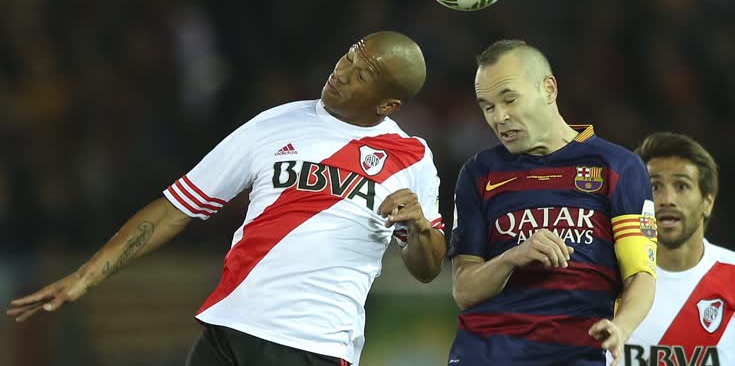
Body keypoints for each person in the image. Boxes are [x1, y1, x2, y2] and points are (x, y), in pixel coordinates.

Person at [7, 31, 447, 366]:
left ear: (388, 105)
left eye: (362, 74)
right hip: (229, 330)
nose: (343, 72)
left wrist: (420, 228)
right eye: (348, 56)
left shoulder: (412, 158)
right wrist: (86, 276)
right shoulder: (276, 123)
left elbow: (427, 269)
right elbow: (176, 207)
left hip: (314, 343)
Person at [447, 39, 657, 366]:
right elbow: (464, 290)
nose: (499, 117)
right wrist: (512, 257)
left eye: (509, 99)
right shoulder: (478, 172)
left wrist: (622, 327)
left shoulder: (618, 167)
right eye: (487, 107)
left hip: (577, 354)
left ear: (548, 89)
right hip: (487, 353)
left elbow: (641, 275)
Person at [615, 132, 735, 366]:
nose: (667, 199)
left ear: (708, 202)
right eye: (654, 186)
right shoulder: (608, 276)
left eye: (682, 186)